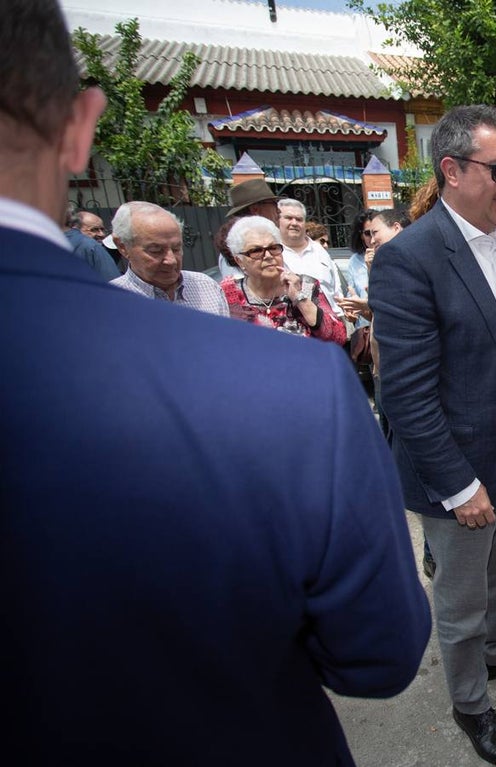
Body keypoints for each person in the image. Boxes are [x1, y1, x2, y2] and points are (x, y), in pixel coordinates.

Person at [0, 3, 430, 764]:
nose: (272, 254)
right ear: (78, 127)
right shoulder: (282, 389)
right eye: (258, 244)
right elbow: (378, 651)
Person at [370, 105, 496, 765]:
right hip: (459, 468)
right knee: (461, 591)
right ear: (451, 170)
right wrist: (457, 484)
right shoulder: (409, 259)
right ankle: (470, 699)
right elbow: (407, 394)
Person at [221, 216, 347, 344]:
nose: (268, 256)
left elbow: (338, 337)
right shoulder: (228, 294)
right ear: (239, 260)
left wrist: (299, 298)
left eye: (273, 248)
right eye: (256, 251)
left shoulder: (305, 285)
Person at [109, 201, 228, 316]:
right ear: (123, 247)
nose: (171, 260)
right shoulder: (107, 303)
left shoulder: (207, 288)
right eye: (156, 250)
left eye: (176, 249)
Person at [278, 198, 343, 315]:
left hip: (330, 324)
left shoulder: (320, 251)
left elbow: (335, 290)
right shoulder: (273, 254)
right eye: (288, 218)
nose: (294, 223)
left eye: (299, 219)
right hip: (291, 326)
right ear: (278, 220)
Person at [63, 201, 119, 280]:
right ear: (76, 228)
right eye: (94, 230)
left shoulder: (108, 250)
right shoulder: (91, 247)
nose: (102, 234)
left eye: (102, 229)